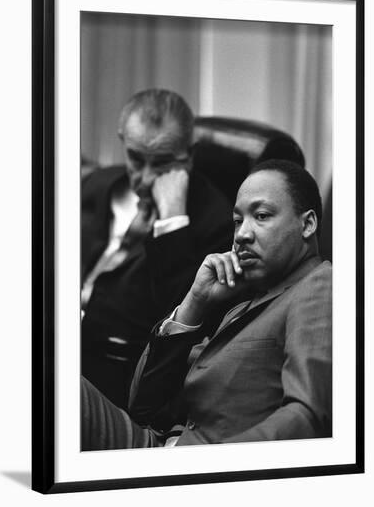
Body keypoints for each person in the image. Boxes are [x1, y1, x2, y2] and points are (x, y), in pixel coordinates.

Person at [81, 159, 332, 450]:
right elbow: (141, 406)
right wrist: (195, 302)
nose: (242, 234)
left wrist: (204, 468)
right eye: (238, 221)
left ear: (308, 224)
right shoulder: (242, 303)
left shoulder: (319, 285)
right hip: (156, 444)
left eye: (261, 216)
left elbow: (307, 416)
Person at [81, 89, 233, 408]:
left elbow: (181, 328)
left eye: (163, 164)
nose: (146, 179)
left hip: (117, 384)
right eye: (136, 159)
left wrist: (173, 221)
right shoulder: (95, 186)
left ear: (189, 155)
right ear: (123, 141)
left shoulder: (217, 223)